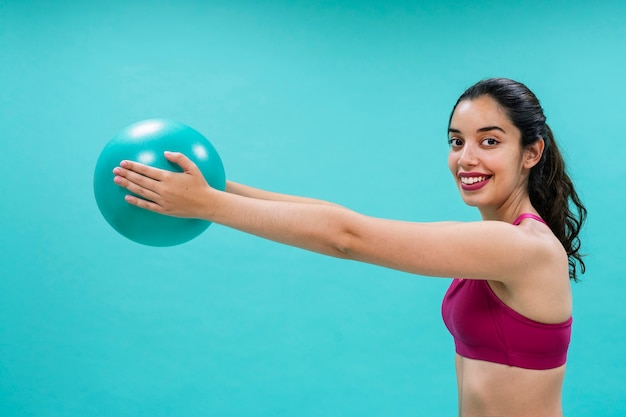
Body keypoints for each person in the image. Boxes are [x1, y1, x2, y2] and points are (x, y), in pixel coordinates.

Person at [112, 78, 586, 417]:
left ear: (531, 152)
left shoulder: (521, 246)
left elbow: (346, 236)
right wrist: (218, 189)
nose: (466, 158)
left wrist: (209, 206)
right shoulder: (495, 240)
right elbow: (335, 215)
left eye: (490, 141)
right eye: (456, 141)